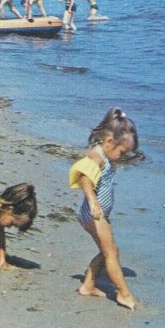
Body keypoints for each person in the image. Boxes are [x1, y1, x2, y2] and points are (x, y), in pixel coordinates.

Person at [70, 107, 140, 310]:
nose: (122, 156)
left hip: (100, 213)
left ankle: (88, 285)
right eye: (122, 152)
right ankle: (124, 293)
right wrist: (93, 201)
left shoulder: (107, 156)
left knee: (107, 251)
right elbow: (83, 175)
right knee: (111, 253)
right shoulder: (97, 156)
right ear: (110, 142)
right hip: (93, 214)